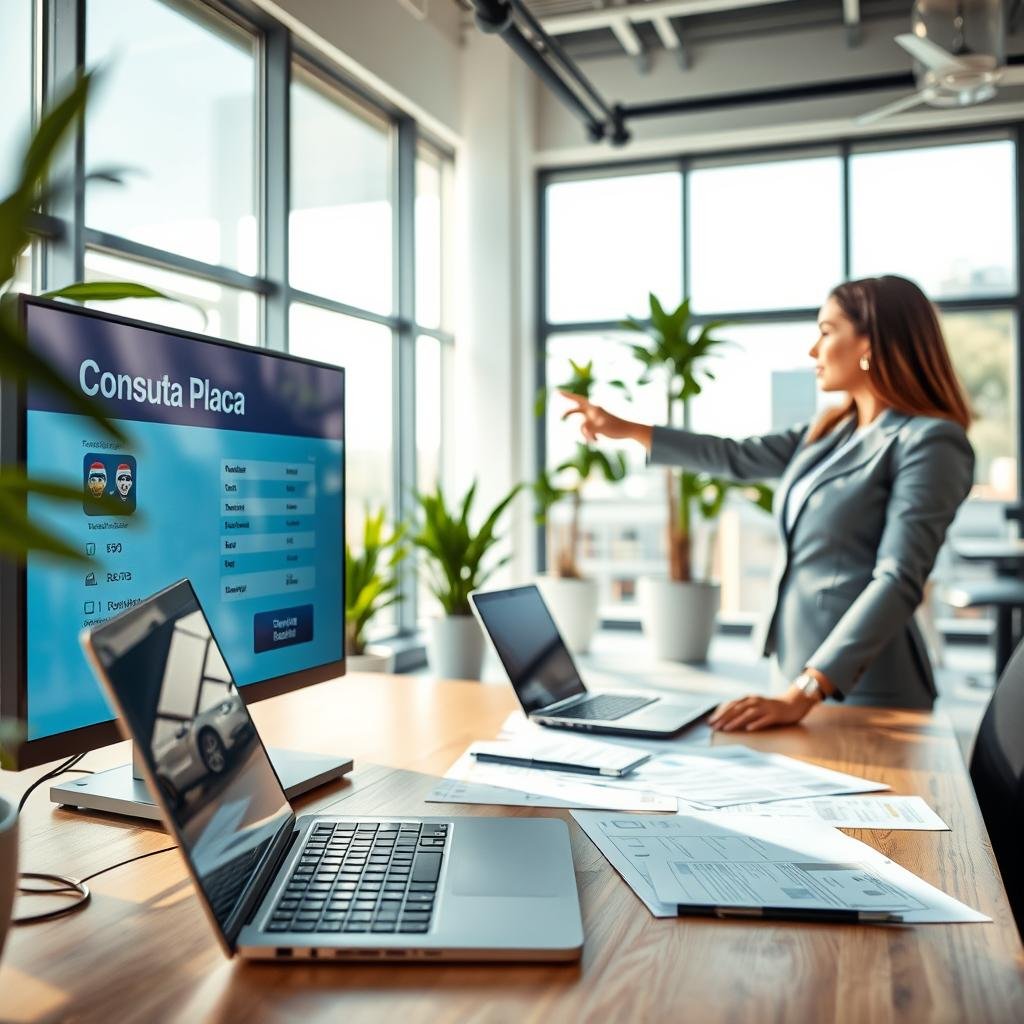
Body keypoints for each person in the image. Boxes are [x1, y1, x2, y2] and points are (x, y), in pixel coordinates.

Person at [561, 275, 974, 731]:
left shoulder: (930, 442)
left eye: (826, 330)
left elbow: (897, 579)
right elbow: (736, 457)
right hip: (792, 673)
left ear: (870, 342)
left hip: (865, 689)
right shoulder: (831, 431)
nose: (812, 350)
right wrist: (630, 429)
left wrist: (809, 689)